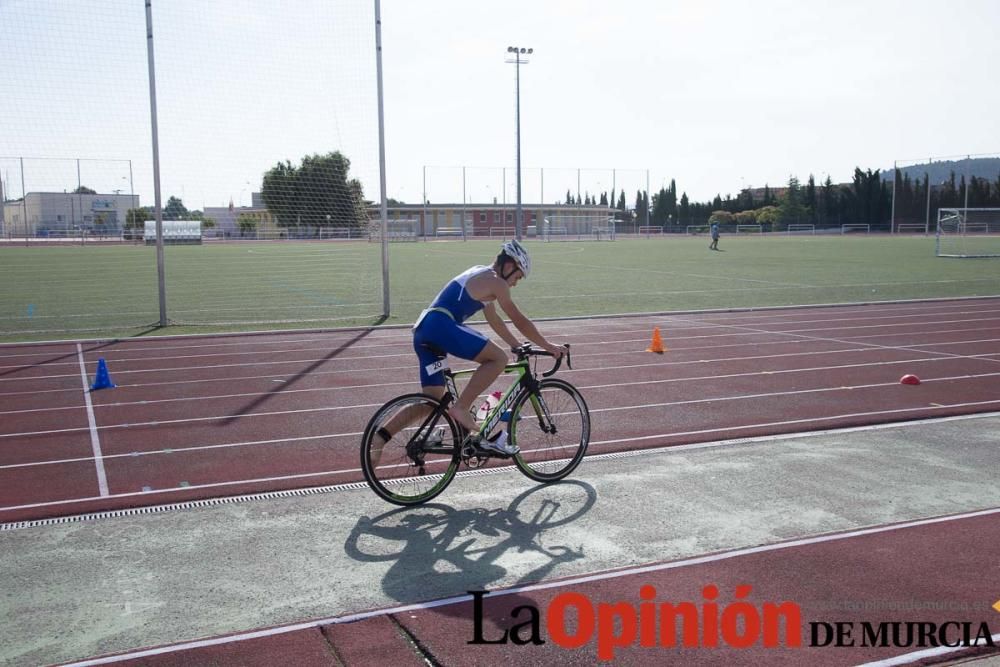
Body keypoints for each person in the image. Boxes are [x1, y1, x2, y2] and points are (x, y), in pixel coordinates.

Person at [376, 240, 565, 456]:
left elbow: (496, 322)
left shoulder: (481, 276)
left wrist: (517, 345)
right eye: (518, 276)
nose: (515, 283)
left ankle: (380, 438)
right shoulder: (496, 282)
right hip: (440, 324)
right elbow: (518, 319)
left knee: (432, 400)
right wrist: (549, 346)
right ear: (509, 264)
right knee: (497, 359)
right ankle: (462, 408)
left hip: (424, 331)